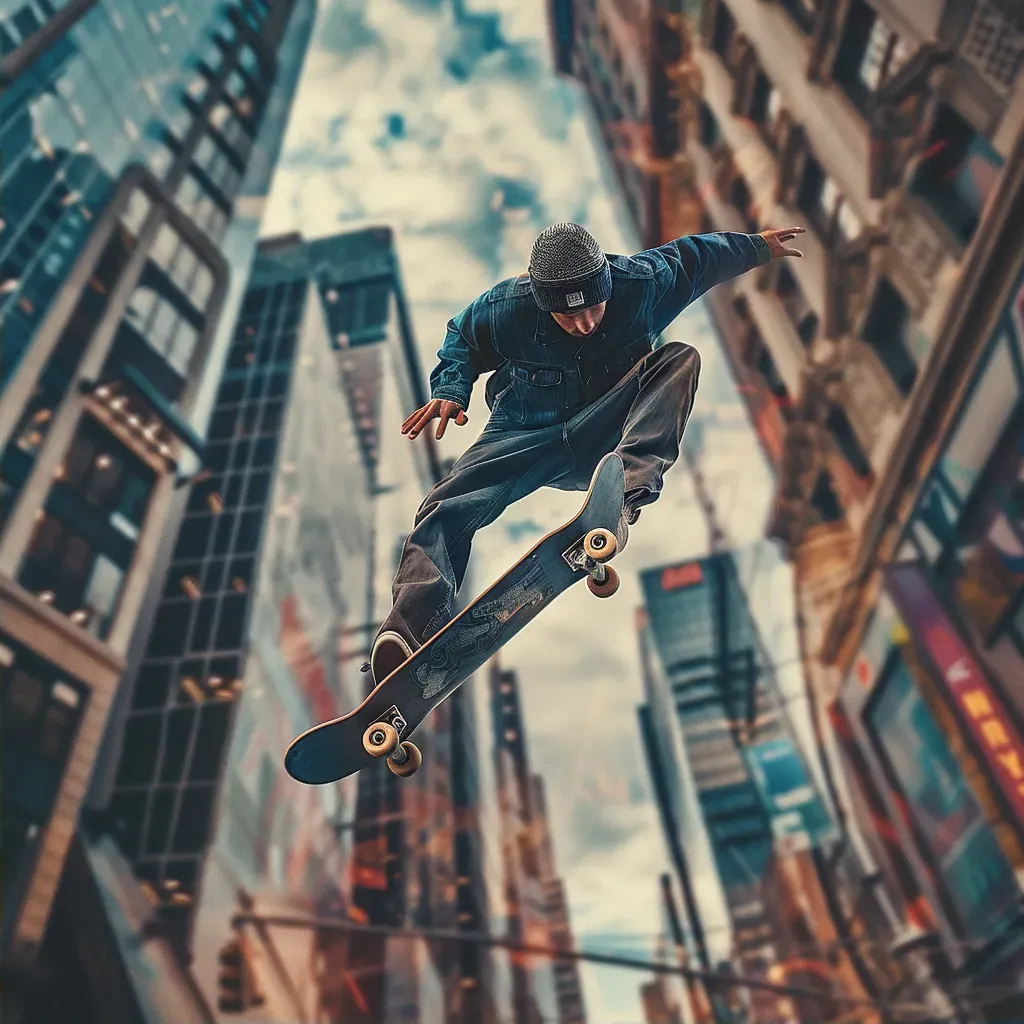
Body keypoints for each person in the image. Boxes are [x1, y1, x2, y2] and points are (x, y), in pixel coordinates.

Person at [368, 223, 805, 682]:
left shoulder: (643, 284)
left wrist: (756, 247)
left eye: (594, 307)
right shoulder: (506, 309)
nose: (585, 324)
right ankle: (410, 630)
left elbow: (698, 257)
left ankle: (626, 494)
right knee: (444, 506)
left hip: (606, 428)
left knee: (679, 358)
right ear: (542, 303)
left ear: (606, 286)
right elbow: (462, 336)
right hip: (522, 431)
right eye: (567, 317)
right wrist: (452, 389)